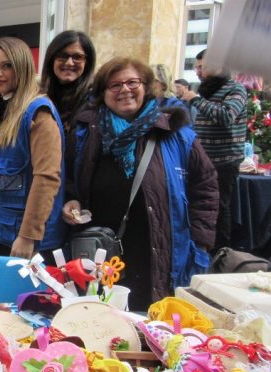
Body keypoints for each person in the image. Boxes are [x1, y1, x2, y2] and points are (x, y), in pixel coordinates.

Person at [63, 57, 218, 310]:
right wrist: (71, 200)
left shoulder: (176, 132)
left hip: (157, 246)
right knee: (102, 319)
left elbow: (206, 187)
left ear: (146, 86)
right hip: (101, 250)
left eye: (132, 82)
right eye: (114, 85)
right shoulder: (85, 132)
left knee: (151, 318)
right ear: (103, 93)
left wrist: (200, 243)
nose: (124, 90)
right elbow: (69, 178)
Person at [0, 37, 65, 260]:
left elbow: (47, 177)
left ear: (22, 67)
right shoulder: (6, 109)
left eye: (6, 65)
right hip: (3, 231)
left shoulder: (38, 112)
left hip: (29, 241)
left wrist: (28, 236)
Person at [179, 49, 247, 251]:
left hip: (224, 161)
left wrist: (195, 100)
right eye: (197, 67)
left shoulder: (236, 89)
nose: (198, 72)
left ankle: (220, 252)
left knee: (219, 208)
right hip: (203, 159)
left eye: (203, 67)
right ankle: (200, 247)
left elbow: (226, 117)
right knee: (201, 204)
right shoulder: (208, 91)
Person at [40, 30, 96, 134]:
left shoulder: (96, 100)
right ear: (52, 59)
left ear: (87, 63)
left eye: (77, 57)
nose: (69, 63)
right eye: (62, 55)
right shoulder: (38, 98)